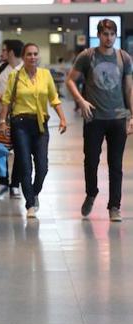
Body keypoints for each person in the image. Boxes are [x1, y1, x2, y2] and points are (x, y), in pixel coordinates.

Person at [65, 18, 133, 221]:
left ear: (116, 35)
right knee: (91, 161)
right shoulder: (87, 56)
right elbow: (70, 80)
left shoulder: (124, 57)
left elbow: (129, 89)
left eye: (112, 34)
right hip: (94, 118)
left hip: (118, 118)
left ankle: (114, 206)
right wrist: (81, 101)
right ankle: (91, 192)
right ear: (99, 35)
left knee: (116, 165)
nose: (109, 38)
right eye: (105, 34)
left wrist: (132, 115)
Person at [0, 43, 67, 218]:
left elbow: (54, 98)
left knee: (42, 166)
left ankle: (35, 192)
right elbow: (6, 100)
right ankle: (29, 203)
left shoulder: (45, 75)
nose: (33, 57)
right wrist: (2, 122)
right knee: (25, 165)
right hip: (20, 123)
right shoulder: (15, 76)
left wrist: (62, 118)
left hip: (40, 124)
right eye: (29, 54)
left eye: (35, 54)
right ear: (23, 57)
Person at [0, 39, 24, 198]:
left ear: (11, 52)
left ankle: (15, 185)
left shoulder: (24, 68)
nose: (2, 53)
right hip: (1, 116)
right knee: (1, 149)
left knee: (19, 150)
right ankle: (3, 182)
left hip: (19, 116)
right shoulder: (1, 67)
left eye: (4, 50)